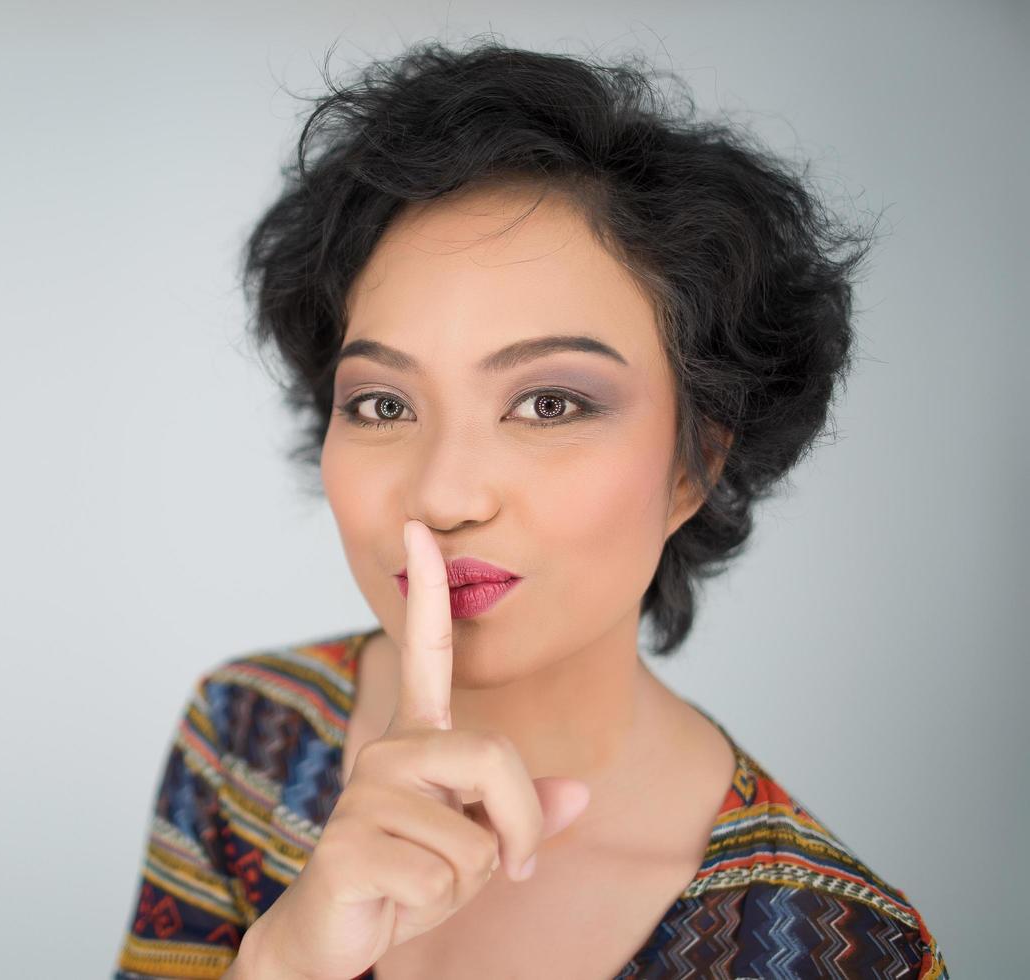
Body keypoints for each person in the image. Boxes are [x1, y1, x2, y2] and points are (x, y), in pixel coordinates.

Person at [113, 37, 949, 979]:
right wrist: (283, 963)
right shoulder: (250, 738)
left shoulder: (841, 950)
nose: (440, 496)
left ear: (697, 460)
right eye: (382, 405)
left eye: (550, 403)